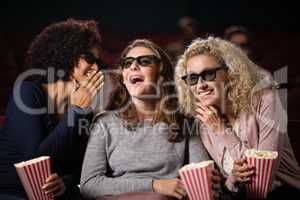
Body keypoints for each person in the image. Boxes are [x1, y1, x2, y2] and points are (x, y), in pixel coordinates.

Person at [80, 39, 221, 200]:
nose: (133, 66)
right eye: (127, 63)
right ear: (124, 79)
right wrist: (154, 184)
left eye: (144, 61)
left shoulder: (185, 120)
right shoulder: (104, 122)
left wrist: (206, 182)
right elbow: (89, 184)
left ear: (161, 72)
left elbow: (201, 177)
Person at [174, 37, 300, 198]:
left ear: (229, 73)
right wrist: (233, 177)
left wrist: (220, 129)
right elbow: (228, 185)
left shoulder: (266, 99)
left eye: (209, 74)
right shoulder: (204, 121)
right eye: (192, 78)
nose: (200, 85)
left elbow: (262, 177)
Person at [0, 19, 105, 200]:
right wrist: (76, 109)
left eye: (98, 62)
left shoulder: (84, 108)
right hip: (13, 194)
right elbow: (35, 164)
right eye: (89, 59)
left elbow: (82, 164)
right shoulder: (27, 92)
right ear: (68, 56)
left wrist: (66, 181)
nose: (95, 67)